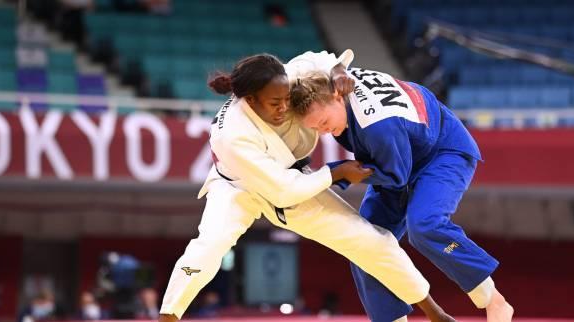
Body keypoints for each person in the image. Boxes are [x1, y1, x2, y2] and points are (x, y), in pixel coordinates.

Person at [158, 51, 454, 322]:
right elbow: (284, 191)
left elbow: (320, 58)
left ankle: (434, 312)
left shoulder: (289, 77)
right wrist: (336, 172)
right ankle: (168, 316)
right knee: (209, 247)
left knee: (372, 240)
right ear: (250, 100)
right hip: (238, 187)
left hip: (294, 175)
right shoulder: (234, 135)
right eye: (275, 104)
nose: (284, 107)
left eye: (286, 98)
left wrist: (338, 71)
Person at [289, 68, 514, 322]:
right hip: (401, 153)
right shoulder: (336, 80)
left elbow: (396, 176)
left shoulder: (377, 126)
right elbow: (335, 61)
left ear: (337, 97)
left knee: (424, 225)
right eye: (315, 127)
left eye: (323, 122)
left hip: (442, 152)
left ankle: (494, 300)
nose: (323, 131)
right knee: (363, 243)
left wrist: (336, 173)